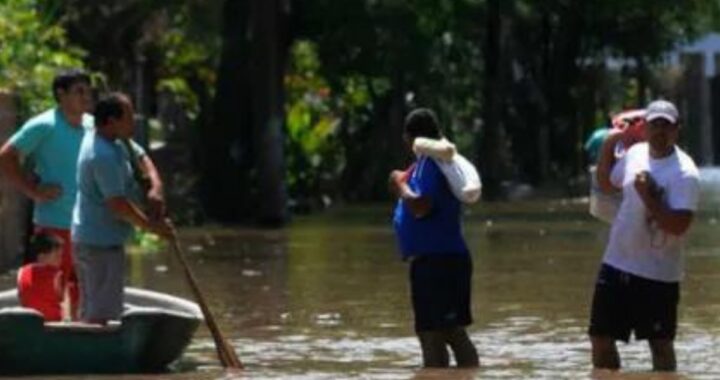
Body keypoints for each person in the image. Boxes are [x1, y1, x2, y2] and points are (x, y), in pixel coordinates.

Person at [590, 99, 700, 372]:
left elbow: (679, 227)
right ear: (646, 129)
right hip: (616, 263)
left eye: (667, 126)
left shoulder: (685, 173)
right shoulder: (636, 152)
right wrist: (610, 141)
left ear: (677, 130)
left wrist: (649, 199)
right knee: (600, 338)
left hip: (658, 274)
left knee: (660, 345)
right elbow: (606, 184)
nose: (660, 132)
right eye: (655, 125)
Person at [72, 92, 174, 325]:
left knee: (98, 306)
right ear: (111, 122)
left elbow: (142, 157)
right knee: (100, 315)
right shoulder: (101, 155)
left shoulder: (118, 139)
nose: (134, 121)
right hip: (97, 243)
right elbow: (118, 205)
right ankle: (96, 356)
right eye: (128, 116)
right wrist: (152, 228)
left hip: (102, 240)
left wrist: (156, 188)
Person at [389, 108, 479, 368]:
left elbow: (421, 207)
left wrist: (399, 185)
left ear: (409, 138)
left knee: (449, 332)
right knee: (431, 333)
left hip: (440, 262)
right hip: (433, 261)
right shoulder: (424, 166)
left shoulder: (431, 164)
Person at [0, 69, 94, 318]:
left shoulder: (92, 126)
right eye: (79, 91)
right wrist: (33, 191)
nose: (86, 97)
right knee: (45, 295)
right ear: (60, 94)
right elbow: (6, 157)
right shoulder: (44, 125)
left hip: (87, 228)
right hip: (53, 226)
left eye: (88, 91)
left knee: (82, 293)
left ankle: (81, 341)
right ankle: (44, 344)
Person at [17, 232, 65, 322]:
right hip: (52, 322)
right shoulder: (56, 274)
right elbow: (60, 298)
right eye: (57, 256)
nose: (60, 261)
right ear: (41, 257)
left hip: (29, 320)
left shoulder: (22, 271)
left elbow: (21, 296)